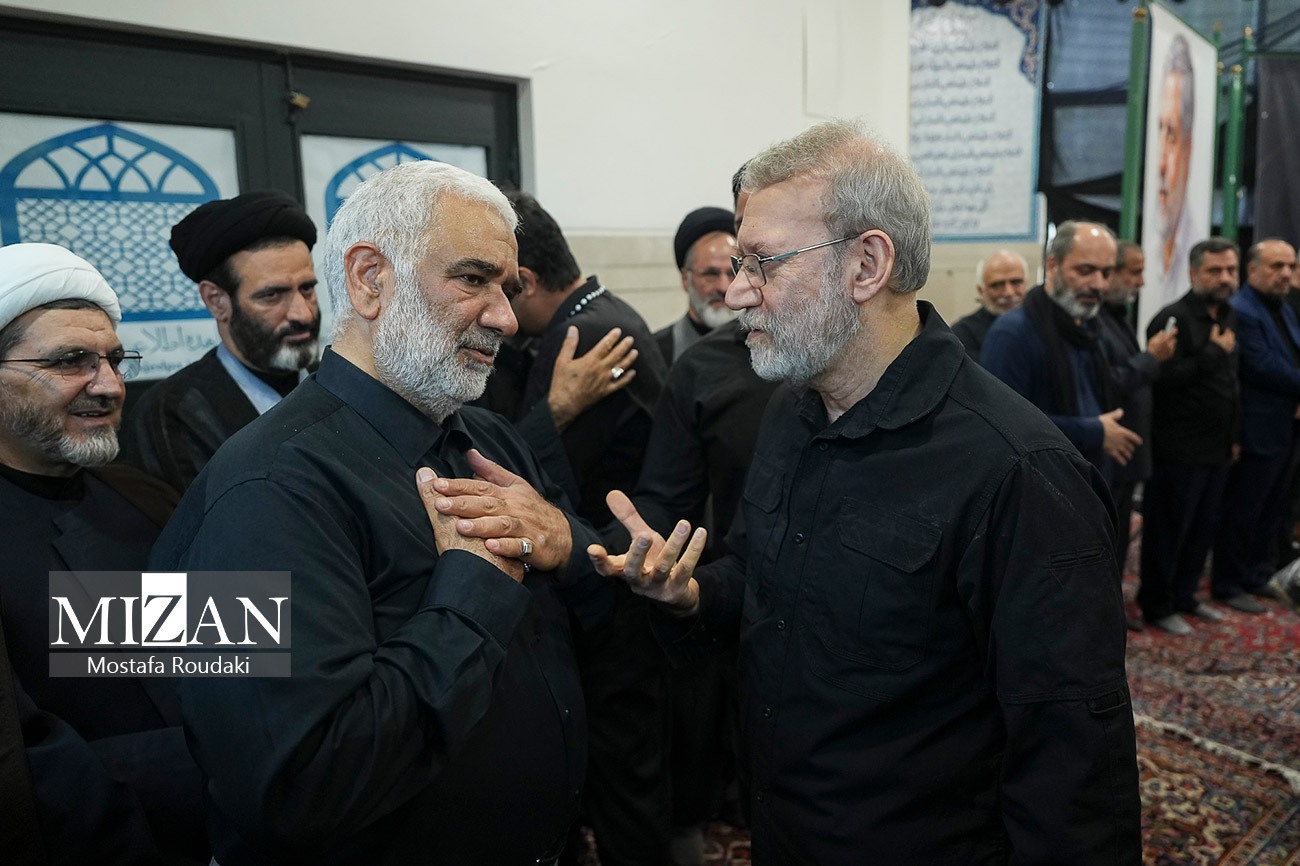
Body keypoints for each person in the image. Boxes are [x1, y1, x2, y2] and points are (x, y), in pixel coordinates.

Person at [590, 120, 1141, 864]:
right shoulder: (791, 413)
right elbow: (762, 580)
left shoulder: (1020, 473)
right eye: (738, 264)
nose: (739, 292)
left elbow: (1074, 777)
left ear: (867, 265)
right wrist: (690, 596)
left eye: (762, 263)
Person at [150, 161, 614, 864]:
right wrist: (471, 592)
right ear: (370, 278)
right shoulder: (264, 488)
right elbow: (301, 784)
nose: (506, 318)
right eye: (472, 279)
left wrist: (569, 542)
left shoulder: (490, 437)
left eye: (509, 288)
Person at [0, 243, 204, 864]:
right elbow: (27, 766)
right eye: (71, 362)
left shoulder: (144, 498)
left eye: (114, 360)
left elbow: (230, 654)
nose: (111, 386)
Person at [493, 189, 672, 866]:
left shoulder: (583, 336)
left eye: (494, 287)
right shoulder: (597, 314)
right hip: (616, 584)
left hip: (611, 590)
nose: (494, 314)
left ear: (525, 280)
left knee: (623, 779)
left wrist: (552, 411)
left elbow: (528, 480)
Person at [121, 190, 320, 492]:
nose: (302, 314)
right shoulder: (172, 416)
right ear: (217, 301)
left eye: (307, 289)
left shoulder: (341, 382)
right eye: (272, 295)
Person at [983, 221, 1142, 482]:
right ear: (1052, 266)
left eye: (1106, 273)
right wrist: (1093, 432)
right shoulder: (1013, 334)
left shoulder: (1090, 329)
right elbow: (1002, 424)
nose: (1098, 284)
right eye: (1085, 271)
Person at [1138, 237, 1241, 633]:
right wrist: (1211, 354)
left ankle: (1185, 596)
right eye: (1215, 271)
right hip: (1178, 447)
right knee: (1168, 530)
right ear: (1194, 273)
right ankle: (1157, 604)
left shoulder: (1230, 317)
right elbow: (1161, 380)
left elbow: (1231, 382)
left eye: (1230, 270)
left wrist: (1234, 435)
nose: (1224, 278)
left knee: (1202, 528)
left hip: (1217, 446)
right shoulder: (1173, 319)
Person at [1213, 238, 1300, 612]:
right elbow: (1261, 366)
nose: (1285, 273)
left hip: (1285, 426)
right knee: (1244, 509)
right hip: (1256, 426)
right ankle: (1228, 582)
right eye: (1276, 266)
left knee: (1272, 506)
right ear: (1252, 270)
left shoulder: (1283, 308)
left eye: (1290, 266)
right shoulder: (1242, 310)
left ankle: (1255, 572)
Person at [1097, 238, 1176, 626]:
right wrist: (1151, 358)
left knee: (1119, 540)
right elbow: (1110, 382)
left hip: (1128, 452)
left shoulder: (1116, 316)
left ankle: (1110, 609)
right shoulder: (1095, 320)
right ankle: (1104, 615)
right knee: (1106, 541)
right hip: (1110, 450)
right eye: (1135, 272)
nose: (1142, 282)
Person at [655, 207, 738, 365]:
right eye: (711, 274)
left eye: (733, 273)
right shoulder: (657, 354)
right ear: (685, 279)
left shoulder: (765, 349)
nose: (724, 287)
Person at [1155, 35, 1198, 307]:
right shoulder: (1147, 253)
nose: (1159, 165)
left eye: (1171, 135)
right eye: (1158, 130)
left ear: (1189, 147)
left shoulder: (1196, 248)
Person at [950, 249, 1028, 362]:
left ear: (1026, 283)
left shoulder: (1042, 324)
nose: (1009, 293)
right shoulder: (963, 334)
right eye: (997, 285)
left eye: (1016, 282)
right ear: (981, 290)